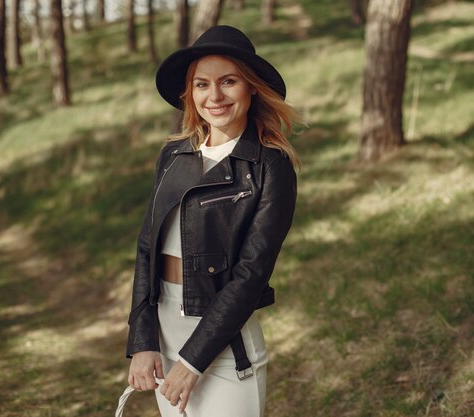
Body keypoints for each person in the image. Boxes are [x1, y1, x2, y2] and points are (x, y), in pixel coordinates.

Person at [125, 25, 301, 417]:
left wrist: (192, 362)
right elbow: (146, 249)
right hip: (163, 338)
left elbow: (251, 274)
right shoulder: (174, 156)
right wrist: (142, 339)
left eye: (228, 81)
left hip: (225, 348)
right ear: (190, 93)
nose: (214, 96)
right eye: (202, 84)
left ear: (251, 87)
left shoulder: (270, 166)